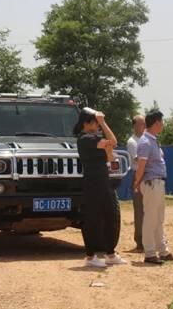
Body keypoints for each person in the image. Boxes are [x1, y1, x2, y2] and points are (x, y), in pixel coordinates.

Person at [74, 108, 127, 268]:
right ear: (86, 123)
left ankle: (110, 253)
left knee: (110, 216)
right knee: (92, 218)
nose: (98, 124)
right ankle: (90, 256)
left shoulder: (95, 138)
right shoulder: (84, 139)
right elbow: (113, 142)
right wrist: (103, 122)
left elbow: (110, 155)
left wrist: (107, 147)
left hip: (104, 182)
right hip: (92, 182)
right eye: (95, 121)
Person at [134, 110, 173, 264]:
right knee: (151, 219)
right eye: (162, 121)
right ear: (156, 123)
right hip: (151, 183)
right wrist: (136, 182)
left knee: (158, 219)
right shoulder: (146, 142)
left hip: (157, 183)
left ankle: (163, 251)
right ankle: (149, 253)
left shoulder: (152, 140)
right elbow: (141, 166)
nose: (163, 124)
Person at [126, 114, 146, 251]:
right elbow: (138, 160)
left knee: (150, 209)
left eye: (145, 124)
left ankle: (150, 238)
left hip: (150, 175)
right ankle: (140, 241)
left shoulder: (149, 139)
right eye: (142, 124)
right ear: (135, 125)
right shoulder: (132, 142)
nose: (144, 126)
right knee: (139, 211)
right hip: (138, 176)